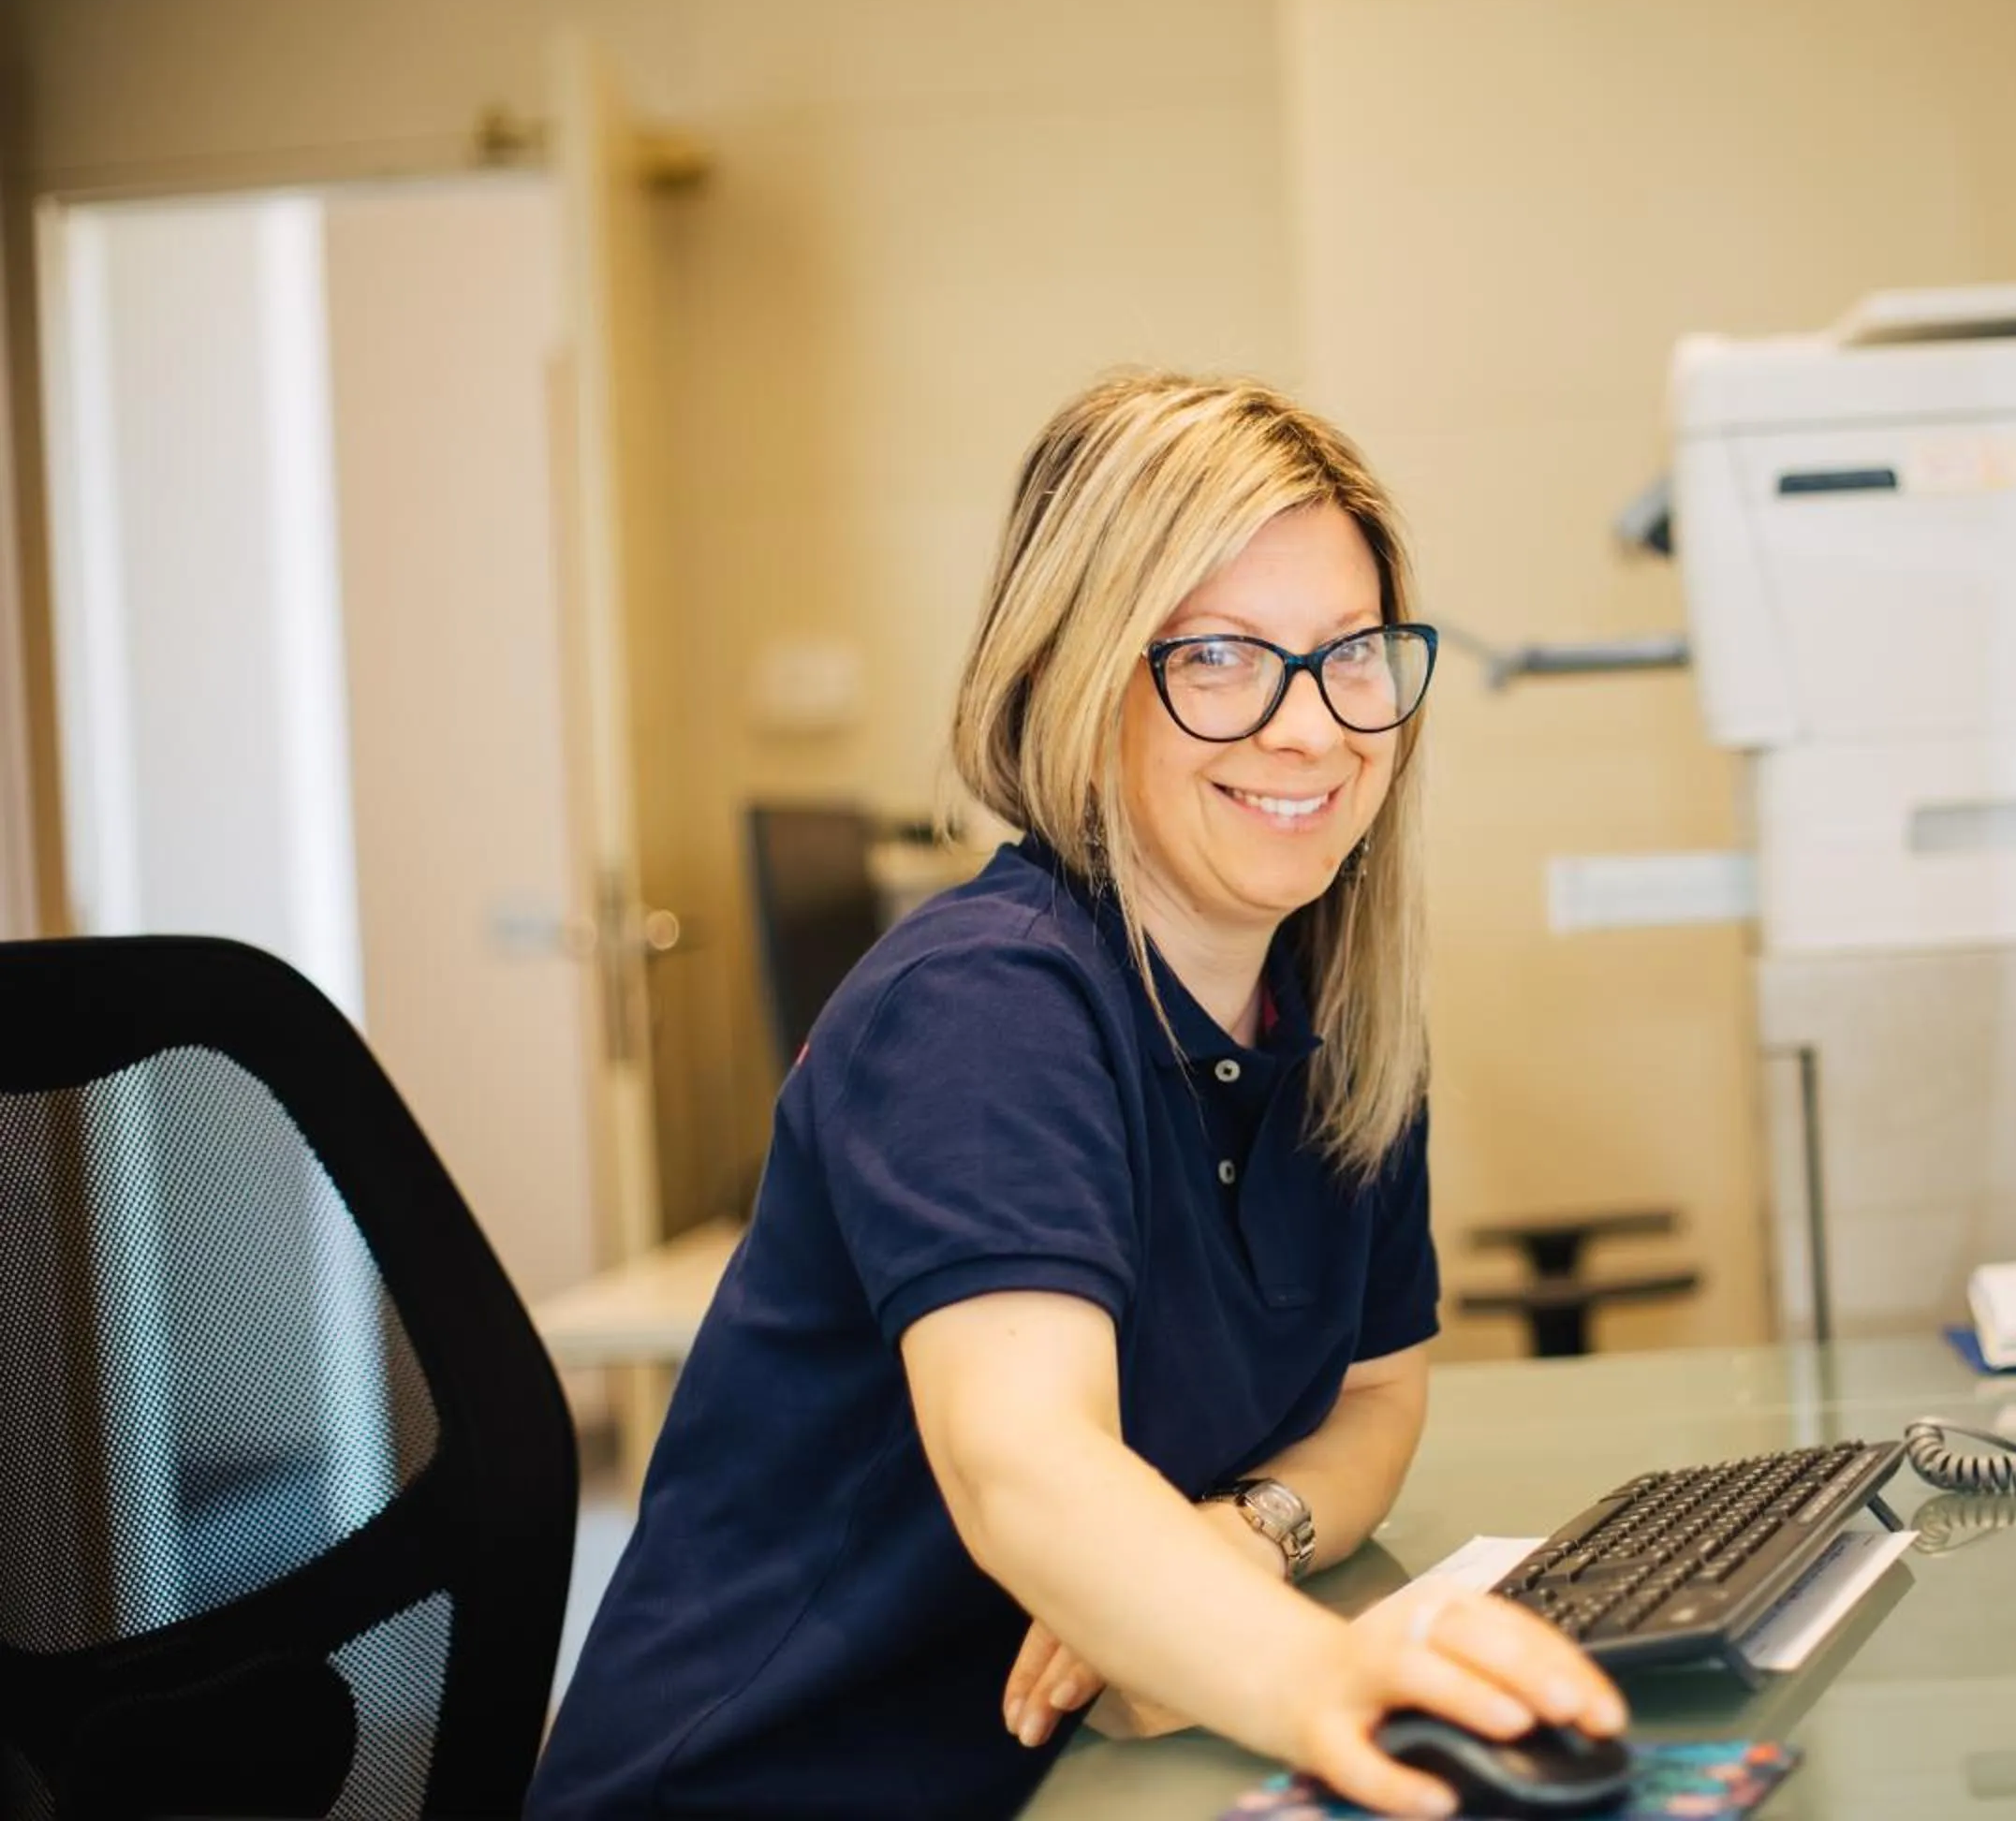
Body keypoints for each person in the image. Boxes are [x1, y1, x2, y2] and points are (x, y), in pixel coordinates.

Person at [529, 372, 1624, 1817]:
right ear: (1074, 678)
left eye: (1351, 653)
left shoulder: (1338, 1014)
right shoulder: (984, 1006)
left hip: (1078, 1772)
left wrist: (1244, 1537)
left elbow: (1376, 1397)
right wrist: (1323, 1680)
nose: (1312, 727)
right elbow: (1025, 1467)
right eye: (1220, 656)